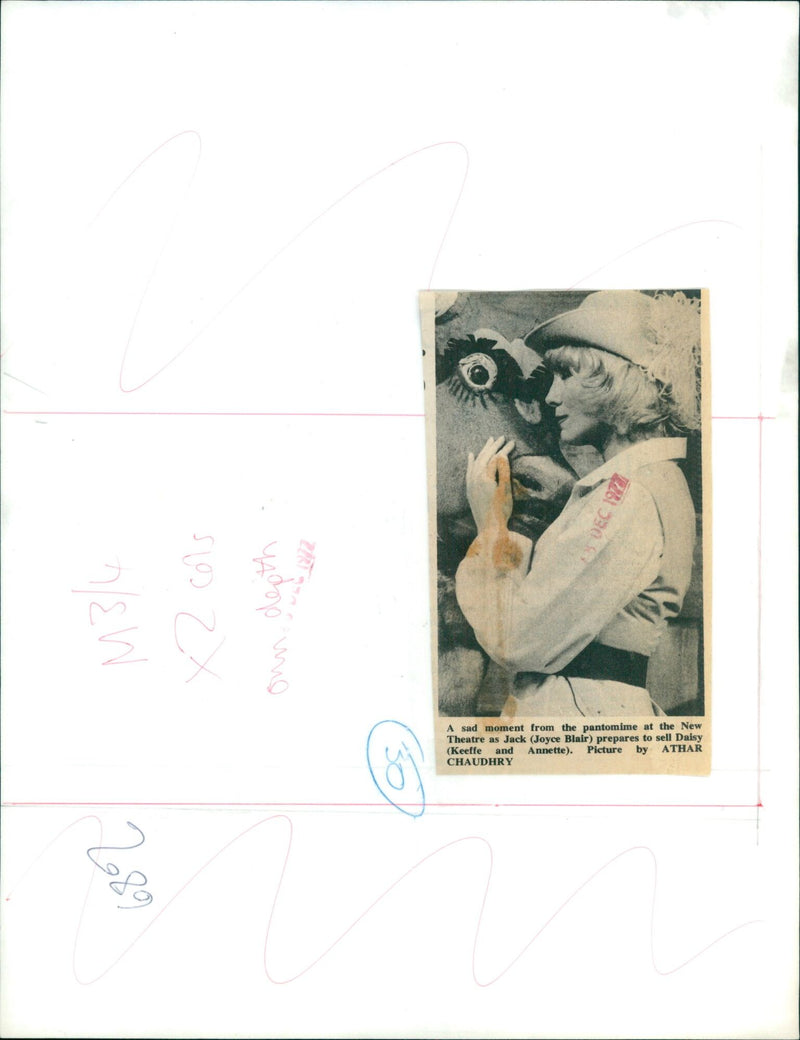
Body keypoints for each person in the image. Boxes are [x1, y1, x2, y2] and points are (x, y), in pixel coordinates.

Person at [454, 289, 701, 717]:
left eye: (565, 376)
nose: (550, 397)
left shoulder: (630, 492)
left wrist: (490, 523)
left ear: (614, 382)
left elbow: (517, 638)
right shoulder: (649, 481)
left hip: (578, 715)